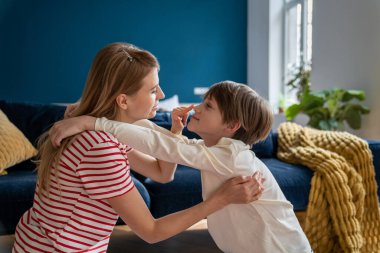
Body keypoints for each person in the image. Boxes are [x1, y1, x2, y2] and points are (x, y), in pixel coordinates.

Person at [12, 43, 264, 253]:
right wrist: (220, 200)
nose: (162, 95)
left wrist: (175, 132)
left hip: (42, 242)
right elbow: (151, 231)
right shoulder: (98, 148)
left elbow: (163, 174)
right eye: (153, 90)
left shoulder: (105, 133)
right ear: (122, 100)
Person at [50, 81, 313, 252]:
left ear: (232, 126)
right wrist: (95, 116)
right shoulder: (216, 153)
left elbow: (162, 145)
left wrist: (93, 123)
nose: (196, 107)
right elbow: (161, 139)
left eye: (208, 106)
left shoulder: (235, 158)